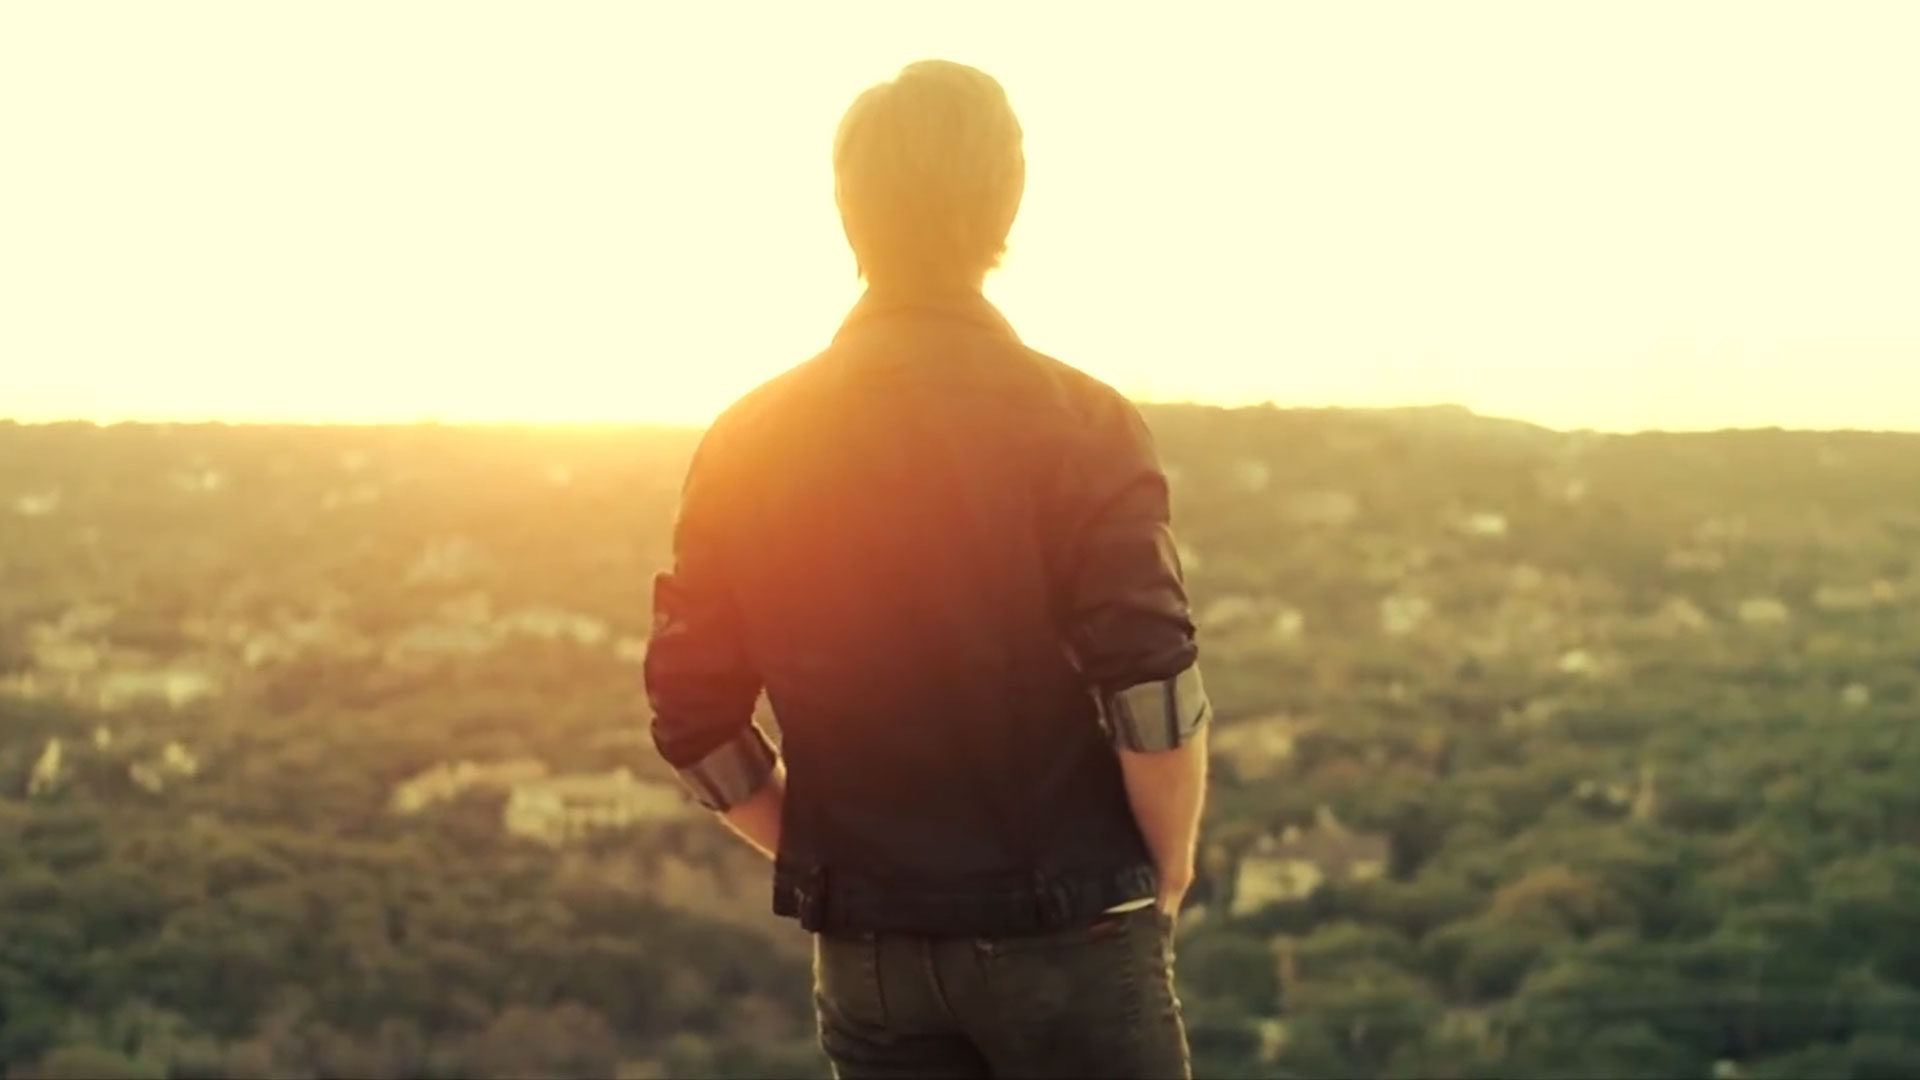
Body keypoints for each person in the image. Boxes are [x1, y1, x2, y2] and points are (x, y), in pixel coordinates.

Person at [643, 58, 1210, 1080]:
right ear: (1007, 199)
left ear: (848, 210)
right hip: (1072, 934)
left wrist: (835, 859)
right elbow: (1150, 686)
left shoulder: (747, 440)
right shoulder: (1079, 422)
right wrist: (1163, 872)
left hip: (870, 958)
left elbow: (692, 717)